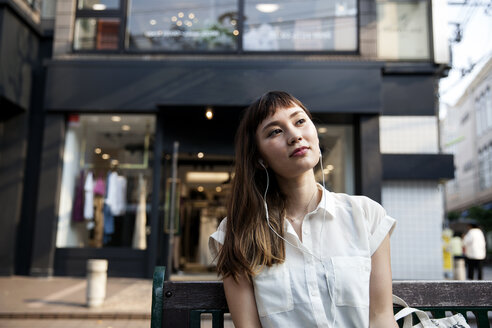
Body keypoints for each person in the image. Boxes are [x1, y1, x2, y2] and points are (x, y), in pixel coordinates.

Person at [209, 91, 397, 327]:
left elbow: (380, 318)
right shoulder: (237, 231)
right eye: (275, 131)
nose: (295, 135)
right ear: (260, 159)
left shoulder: (367, 215)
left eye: (299, 121)